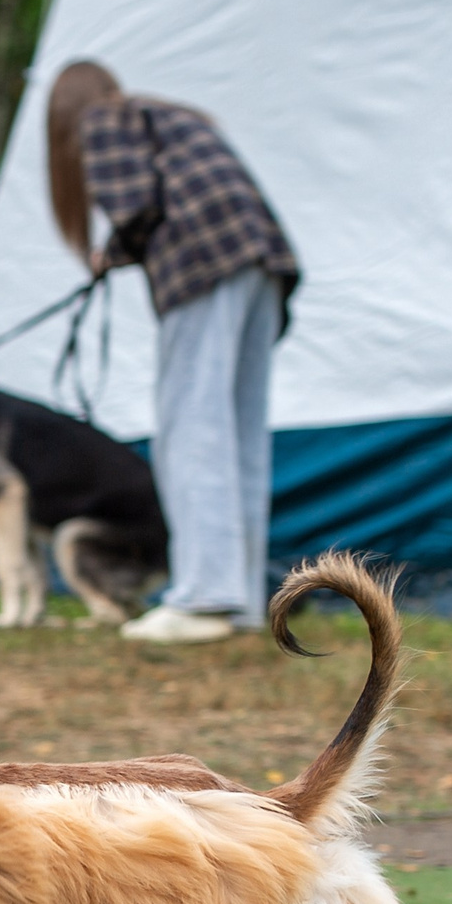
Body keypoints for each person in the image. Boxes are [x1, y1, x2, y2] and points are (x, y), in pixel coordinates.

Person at [46, 62, 299, 644]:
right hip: (264, 264)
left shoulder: (104, 120)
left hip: (204, 264)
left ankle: (204, 598)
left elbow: (134, 202)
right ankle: (239, 599)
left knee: (191, 425)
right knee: (239, 433)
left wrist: (111, 252)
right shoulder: (170, 117)